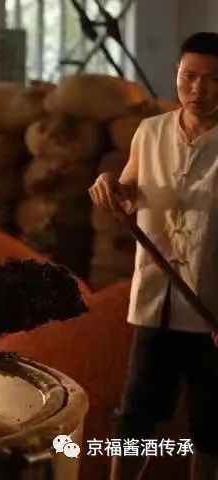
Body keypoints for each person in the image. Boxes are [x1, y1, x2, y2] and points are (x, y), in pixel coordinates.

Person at [89, 32, 218, 480]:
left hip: (210, 311)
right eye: (189, 76)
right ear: (177, 74)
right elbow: (128, 190)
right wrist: (110, 187)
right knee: (135, 418)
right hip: (155, 304)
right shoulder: (151, 132)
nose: (198, 89)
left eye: (213, 80)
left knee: (211, 427)